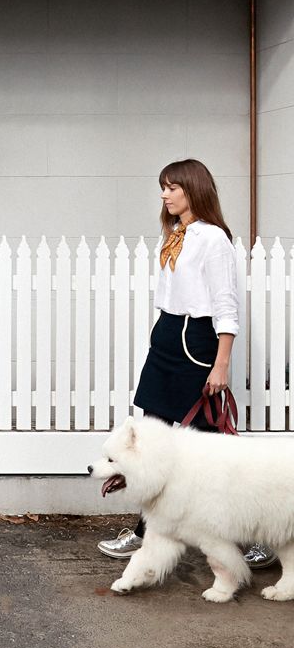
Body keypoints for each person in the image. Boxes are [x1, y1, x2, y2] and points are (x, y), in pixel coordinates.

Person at [98, 158, 275, 569]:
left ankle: (257, 535)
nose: (164, 194)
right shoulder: (176, 234)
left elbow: (226, 305)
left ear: (193, 189)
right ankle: (144, 534)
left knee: (213, 452)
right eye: (163, 186)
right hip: (167, 338)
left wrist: (221, 363)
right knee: (147, 441)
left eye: (172, 187)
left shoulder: (214, 239)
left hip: (196, 342)